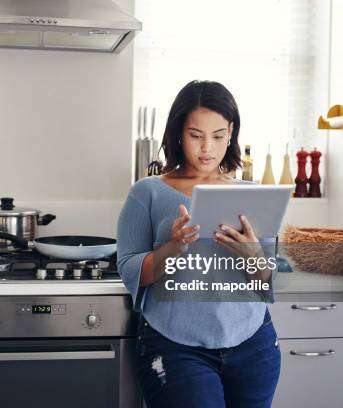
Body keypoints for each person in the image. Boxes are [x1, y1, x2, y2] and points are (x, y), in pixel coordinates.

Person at [117, 80, 280, 408]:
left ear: (231, 132)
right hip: (176, 348)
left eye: (218, 135)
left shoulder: (253, 194)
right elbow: (129, 268)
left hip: (254, 344)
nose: (207, 148)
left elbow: (268, 279)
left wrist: (254, 256)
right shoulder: (146, 193)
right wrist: (171, 248)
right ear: (179, 132)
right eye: (196, 135)